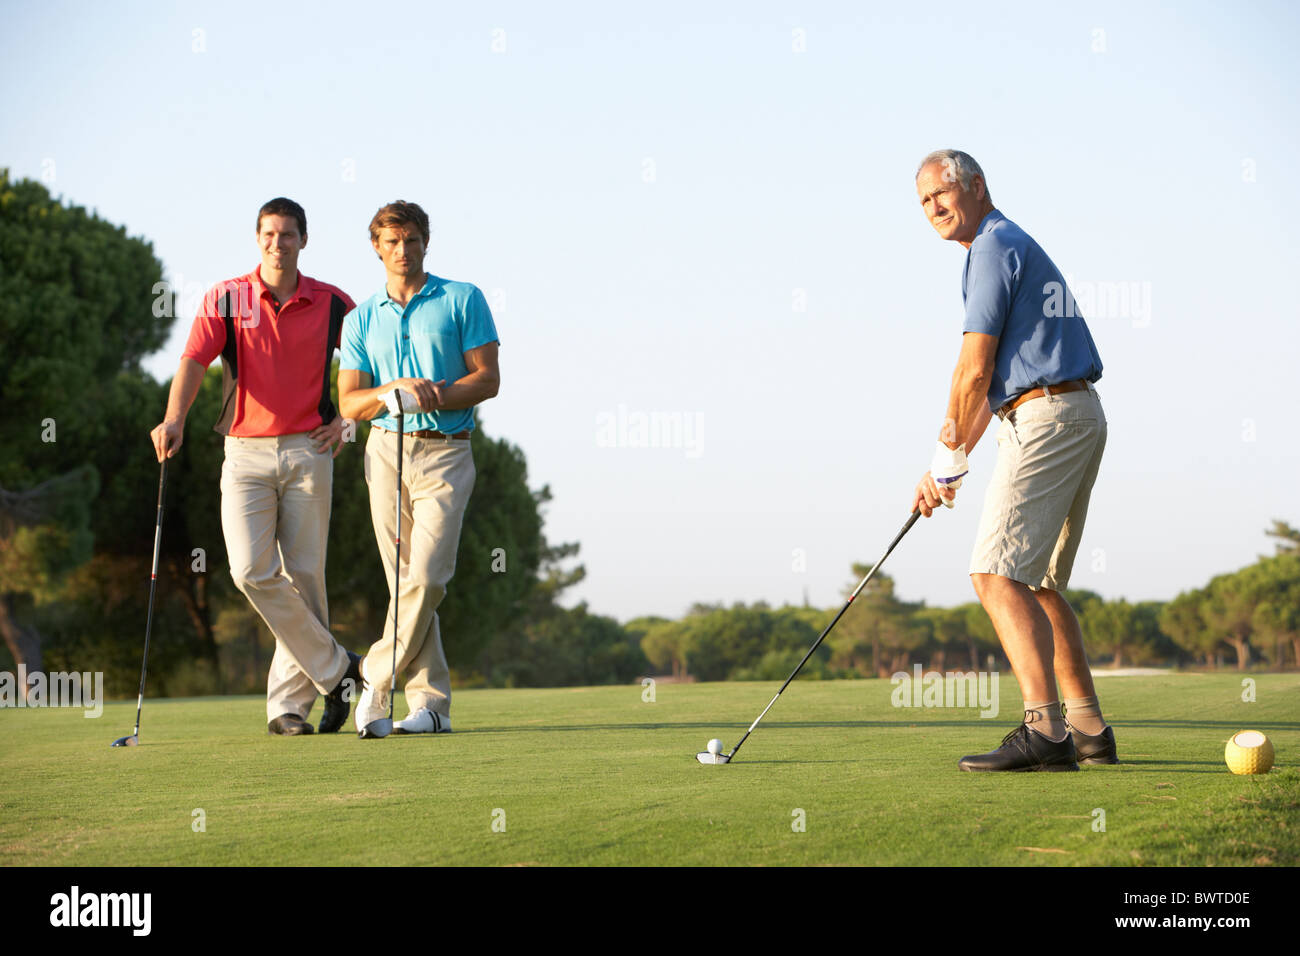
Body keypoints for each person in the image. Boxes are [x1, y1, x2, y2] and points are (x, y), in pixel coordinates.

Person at [909, 150, 1116, 772]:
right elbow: (988, 385)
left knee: (994, 576)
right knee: (1037, 584)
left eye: (941, 193)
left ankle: (1044, 732)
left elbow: (972, 370)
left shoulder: (992, 247)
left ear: (976, 185)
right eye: (923, 202)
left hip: (1047, 414)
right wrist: (948, 465)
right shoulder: (1003, 245)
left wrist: (946, 456)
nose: (934, 208)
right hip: (1073, 411)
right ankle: (1086, 730)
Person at [150, 197, 362, 736]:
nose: (277, 243)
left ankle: (288, 708)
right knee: (249, 571)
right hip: (244, 451)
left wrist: (349, 423)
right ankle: (339, 670)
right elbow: (193, 360)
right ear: (257, 238)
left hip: (310, 449)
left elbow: (371, 367)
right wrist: (174, 418)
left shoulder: (335, 302)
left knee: (305, 576)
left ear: (303, 240)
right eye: (269, 233)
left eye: (287, 234)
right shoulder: (227, 299)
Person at [338, 200, 499, 738]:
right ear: (376, 248)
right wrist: (391, 393)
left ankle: (371, 676)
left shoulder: (462, 298)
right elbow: (349, 404)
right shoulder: (360, 318)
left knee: (427, 577)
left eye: (411, 240)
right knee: (402, 582)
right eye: (391, 242)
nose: (402, 251)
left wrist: (436, 395)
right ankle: (430, 706)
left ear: (425, 242)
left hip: (446, 450)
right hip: (385, 452)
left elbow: (488, 379)